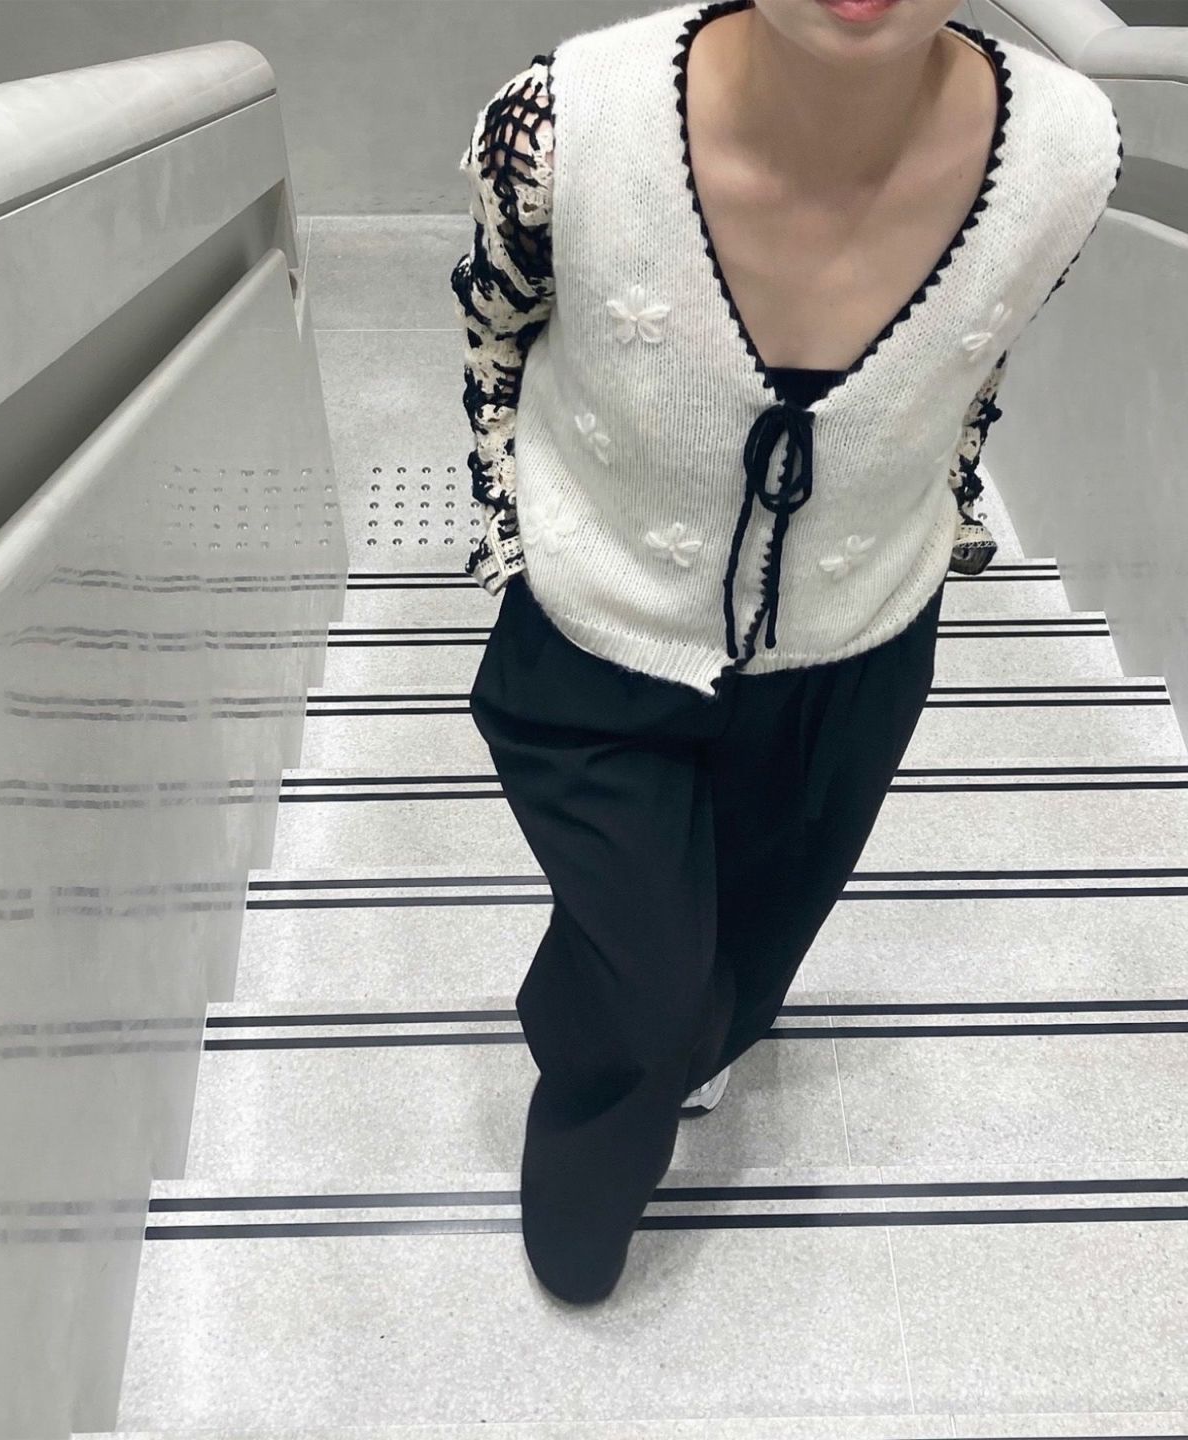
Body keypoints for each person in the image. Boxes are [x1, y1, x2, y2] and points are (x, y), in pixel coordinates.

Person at [449, 0, 1123, 1306]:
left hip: (856, 642)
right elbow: (492, 339)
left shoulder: (1068, 151)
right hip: (597, 636)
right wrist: (514, 546)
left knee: (749, 962)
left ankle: (695, 1024)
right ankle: (604, 1107)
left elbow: (974, 365)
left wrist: (945, 521)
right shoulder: (562, 127)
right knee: (650, 992)